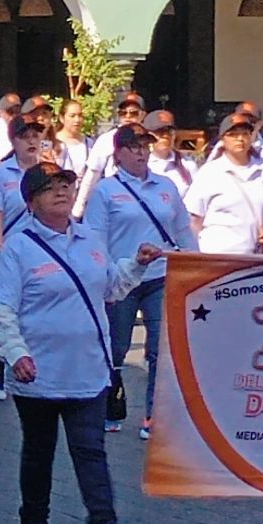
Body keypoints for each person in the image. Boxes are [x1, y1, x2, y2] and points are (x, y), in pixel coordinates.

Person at [0, 162, 157, 524]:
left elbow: (110, 287)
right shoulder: (19, 248)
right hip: (39, 371)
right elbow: (1, 308)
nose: (61, 191)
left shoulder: (90, 240)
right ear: (31, 202)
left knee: (90, 449)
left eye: (66, 183)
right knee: (39, 451)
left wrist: (137, 264)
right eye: (49, 187)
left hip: (88, 369)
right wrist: (16, 353)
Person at [88, 121, 195, 437]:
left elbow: (183, 230)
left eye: (145, 146)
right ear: (118, 154)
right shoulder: (105, 191)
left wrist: (196, 264)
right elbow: (96, 238)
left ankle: (154, 415)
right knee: (117, 347)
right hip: (122, 279)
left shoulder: (166, 186)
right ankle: (110, 405)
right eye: (134, 147)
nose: (141, 153)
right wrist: (103, 276)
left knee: (159, 350)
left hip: (160, 277)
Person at [0, 106, 52, 400]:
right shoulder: (1, 173)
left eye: (36, 135)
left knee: (35, 313)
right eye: (25, 136)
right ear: (14, 141)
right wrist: (0, 245)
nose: (31, 141)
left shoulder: (49, 171)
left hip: (42, 253)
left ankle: (33, 367)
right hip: (10, 252)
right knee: (5, 312)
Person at [185, 112, 263, 255]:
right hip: (218, 255)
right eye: (233, 135)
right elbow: (194, 219)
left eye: (245, 134)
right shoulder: (209, 173)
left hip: (258, 255)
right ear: (222, 139)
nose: (240, 139)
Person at [74, 94, 148, 216]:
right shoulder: (106, 139)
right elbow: (92, 174)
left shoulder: (150, 139)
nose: (128, 117)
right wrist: (79, 209)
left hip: (146, 200)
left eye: (133, 113)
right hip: (116, 201)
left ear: (143, 115)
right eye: (123, 113)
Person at [144, 110, 198, 196]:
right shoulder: (139, 164)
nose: (165, 136)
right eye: (160, 131)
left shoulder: (187, 164)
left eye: (169, 131)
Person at [51, 99, 92, 177]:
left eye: (80, 115)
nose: (77, 120)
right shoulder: (54, 142)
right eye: (72, 116)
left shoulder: (89, 143)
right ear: (62, 118)